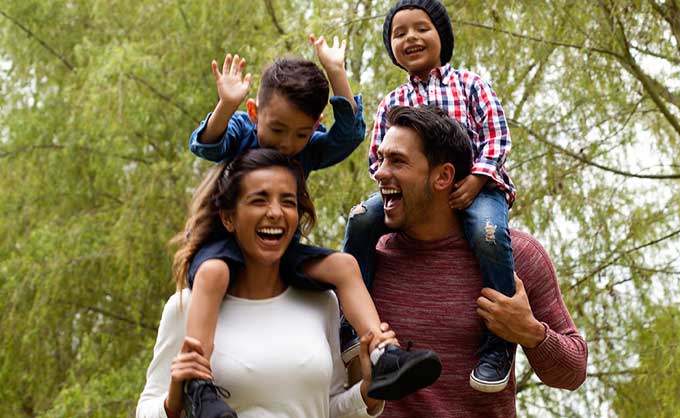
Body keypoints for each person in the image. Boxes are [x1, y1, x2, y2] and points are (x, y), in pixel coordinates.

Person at [183, 38, 439, 416]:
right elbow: (206, 145)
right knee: (214, 273)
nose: (287, 144)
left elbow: (348, 136)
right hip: (222, 245)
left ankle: (383, 353)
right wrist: (226, 105)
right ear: (254, 112)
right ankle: (199, 386)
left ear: (315, 126)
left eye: (301, 134)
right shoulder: (243, 130)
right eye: (278, 130)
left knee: (345, 265)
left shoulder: (307, 149)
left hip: (280, 251)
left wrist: (337, 74)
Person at [137, 149, 396, 418]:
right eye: (259, 200)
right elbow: (145, 410)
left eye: (288, 202)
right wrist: (173, 400)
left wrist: (368, 392)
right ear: (228, 218)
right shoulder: (187, 307)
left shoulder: (322, 302)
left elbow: (327, 407)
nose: (275, 212)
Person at [365, 106, 588, 418]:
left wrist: (530, 332)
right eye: (382, 159)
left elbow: (573, 372)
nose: (379, 172)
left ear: (443, 176)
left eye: (397, 161)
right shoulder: (366, 259)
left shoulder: (517, 256)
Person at [344, 0, 517, 392]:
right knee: (361, 218)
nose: (411, 38)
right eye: (399, 33)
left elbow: (497, 137)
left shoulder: (470, 84)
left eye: (421, 28)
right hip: (411, 192)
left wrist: (477, 178)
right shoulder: (392, 102)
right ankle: (350, 321)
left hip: (477, 187)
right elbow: (377, 160)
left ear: (442, 36)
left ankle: (498, 342)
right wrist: (392, 182)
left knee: (488, 234)